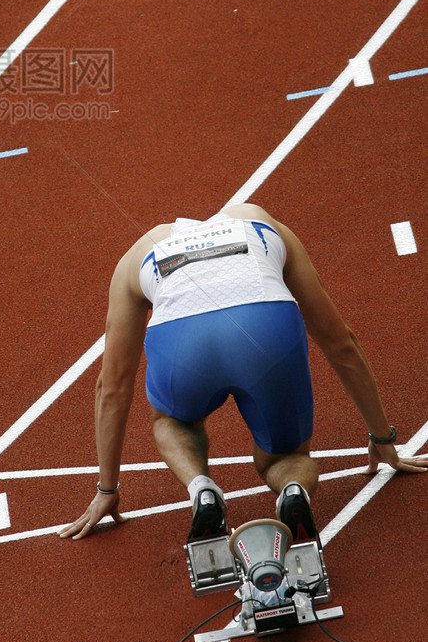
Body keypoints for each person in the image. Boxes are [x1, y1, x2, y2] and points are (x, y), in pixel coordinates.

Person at [60, 203, 428, 545]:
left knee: (172, 421)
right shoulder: (260, 220)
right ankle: (292, 490)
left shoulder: (142, 250)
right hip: (266, 327)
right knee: (286, 457)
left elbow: (112, 386)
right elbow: (340, 342)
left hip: (183, 341)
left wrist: (107, 489)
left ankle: (201, 489)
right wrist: (383, 437)